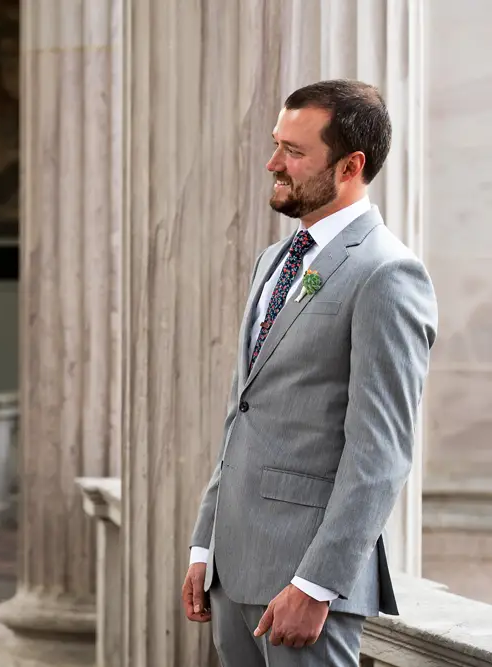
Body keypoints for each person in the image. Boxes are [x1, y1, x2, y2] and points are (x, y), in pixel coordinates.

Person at [181, 79, 438, 666]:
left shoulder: (387, 274)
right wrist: (205, 543)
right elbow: (241, 415)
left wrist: (317, 584)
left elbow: (380, 452)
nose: (274, 163)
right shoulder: (274, 262)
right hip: (232, 568)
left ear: (351, 165)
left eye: (294, 152)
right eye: (277, 144)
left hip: (303, 587)